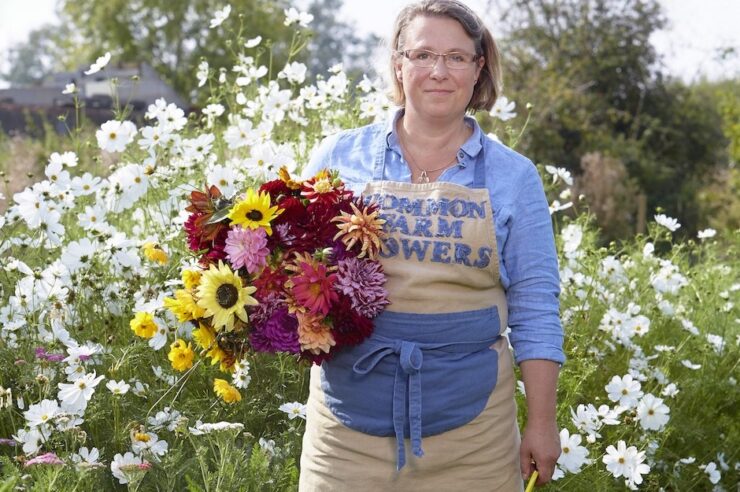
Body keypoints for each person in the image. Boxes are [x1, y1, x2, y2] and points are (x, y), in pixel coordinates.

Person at [299, 1, 564, 490]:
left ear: (479, 68)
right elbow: (296, 270)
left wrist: (542, 423)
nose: (438, 71)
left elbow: (535, 307)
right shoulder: (338, 156)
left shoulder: (514, 177)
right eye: (422, 54)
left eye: (457, 57)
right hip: (345, 432)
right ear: (399, 65)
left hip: (474, 436)